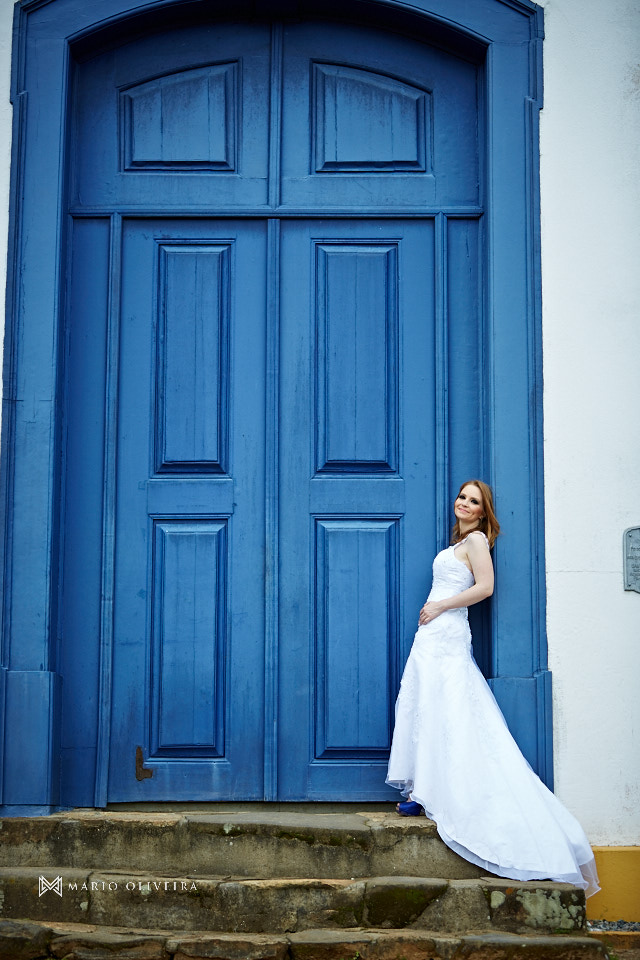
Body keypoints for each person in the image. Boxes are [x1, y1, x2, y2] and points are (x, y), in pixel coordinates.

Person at [386, 480, 599, 896]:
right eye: (462, 497)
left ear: (483, 512)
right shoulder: (458, 543)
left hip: (447, 634)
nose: (463, 504)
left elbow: (485, 588)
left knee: (450, 709)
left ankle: (437, 793)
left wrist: (440, 605)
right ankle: (422, 788)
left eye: (473, 501)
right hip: (432, 636)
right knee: (428, 707)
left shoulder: (478, 540)